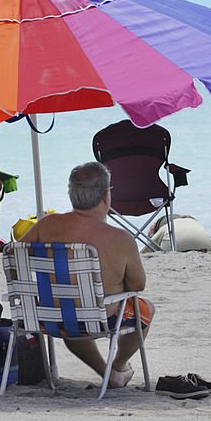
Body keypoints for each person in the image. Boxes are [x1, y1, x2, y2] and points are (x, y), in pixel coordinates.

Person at [20, 162, 154, 389]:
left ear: (72, 194)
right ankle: (118, 366)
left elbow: (18, 254)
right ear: (106, 195)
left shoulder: (47, 225)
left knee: (70, 310)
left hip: (51, 318)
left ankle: (108, 373)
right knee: (145, 308)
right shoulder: (120, 239)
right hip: (100, 319)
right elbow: (137, 284)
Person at [146, 214, 211, 252]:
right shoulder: (194, 223)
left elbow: (148, 248)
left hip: (174, 246)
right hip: (204, 244)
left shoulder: (166, 227)